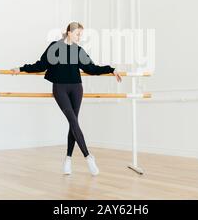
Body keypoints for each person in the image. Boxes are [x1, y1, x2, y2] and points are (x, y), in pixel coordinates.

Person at [11, 22, 122, 176]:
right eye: (78, 34)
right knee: (73, 120)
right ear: (69, 33)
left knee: (73, 122)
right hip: (60, 88)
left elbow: (92, 69)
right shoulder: (54, 46)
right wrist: (21, 68)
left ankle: (68, 159)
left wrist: (111, 69)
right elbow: (41, 65)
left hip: (76, 88)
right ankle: (88, 157)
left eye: (81, 35)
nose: (80, 37)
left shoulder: (79, 50)